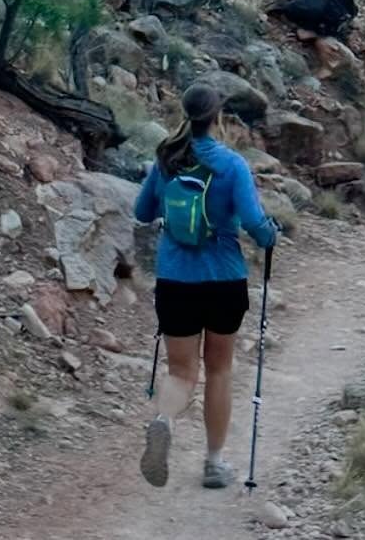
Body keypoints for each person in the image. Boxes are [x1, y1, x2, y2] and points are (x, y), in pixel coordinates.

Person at [133, 79, 279, 491]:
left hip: (175, 279)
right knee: (219, 370)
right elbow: (253, 222)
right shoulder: (232, 164)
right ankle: (214, 463)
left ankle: (164, 420)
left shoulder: (166, 159)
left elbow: (142, 212)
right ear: (218, 118)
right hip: (223, 279)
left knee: (181, 370)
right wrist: (270, 235)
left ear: (185, 113)